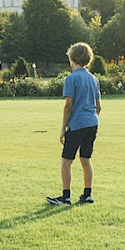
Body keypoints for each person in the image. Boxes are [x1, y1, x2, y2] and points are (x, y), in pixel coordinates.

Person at [47, 42, 101, 206]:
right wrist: (90, 117)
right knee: (86, 159)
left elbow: (68, 105)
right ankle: (87, 194)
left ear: (72, 59)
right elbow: (99, 106)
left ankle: (66, 196)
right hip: (92, 123)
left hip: (77, 124)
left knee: (66, 161)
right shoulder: (93, 79)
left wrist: (63, 129)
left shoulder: (71, 79)